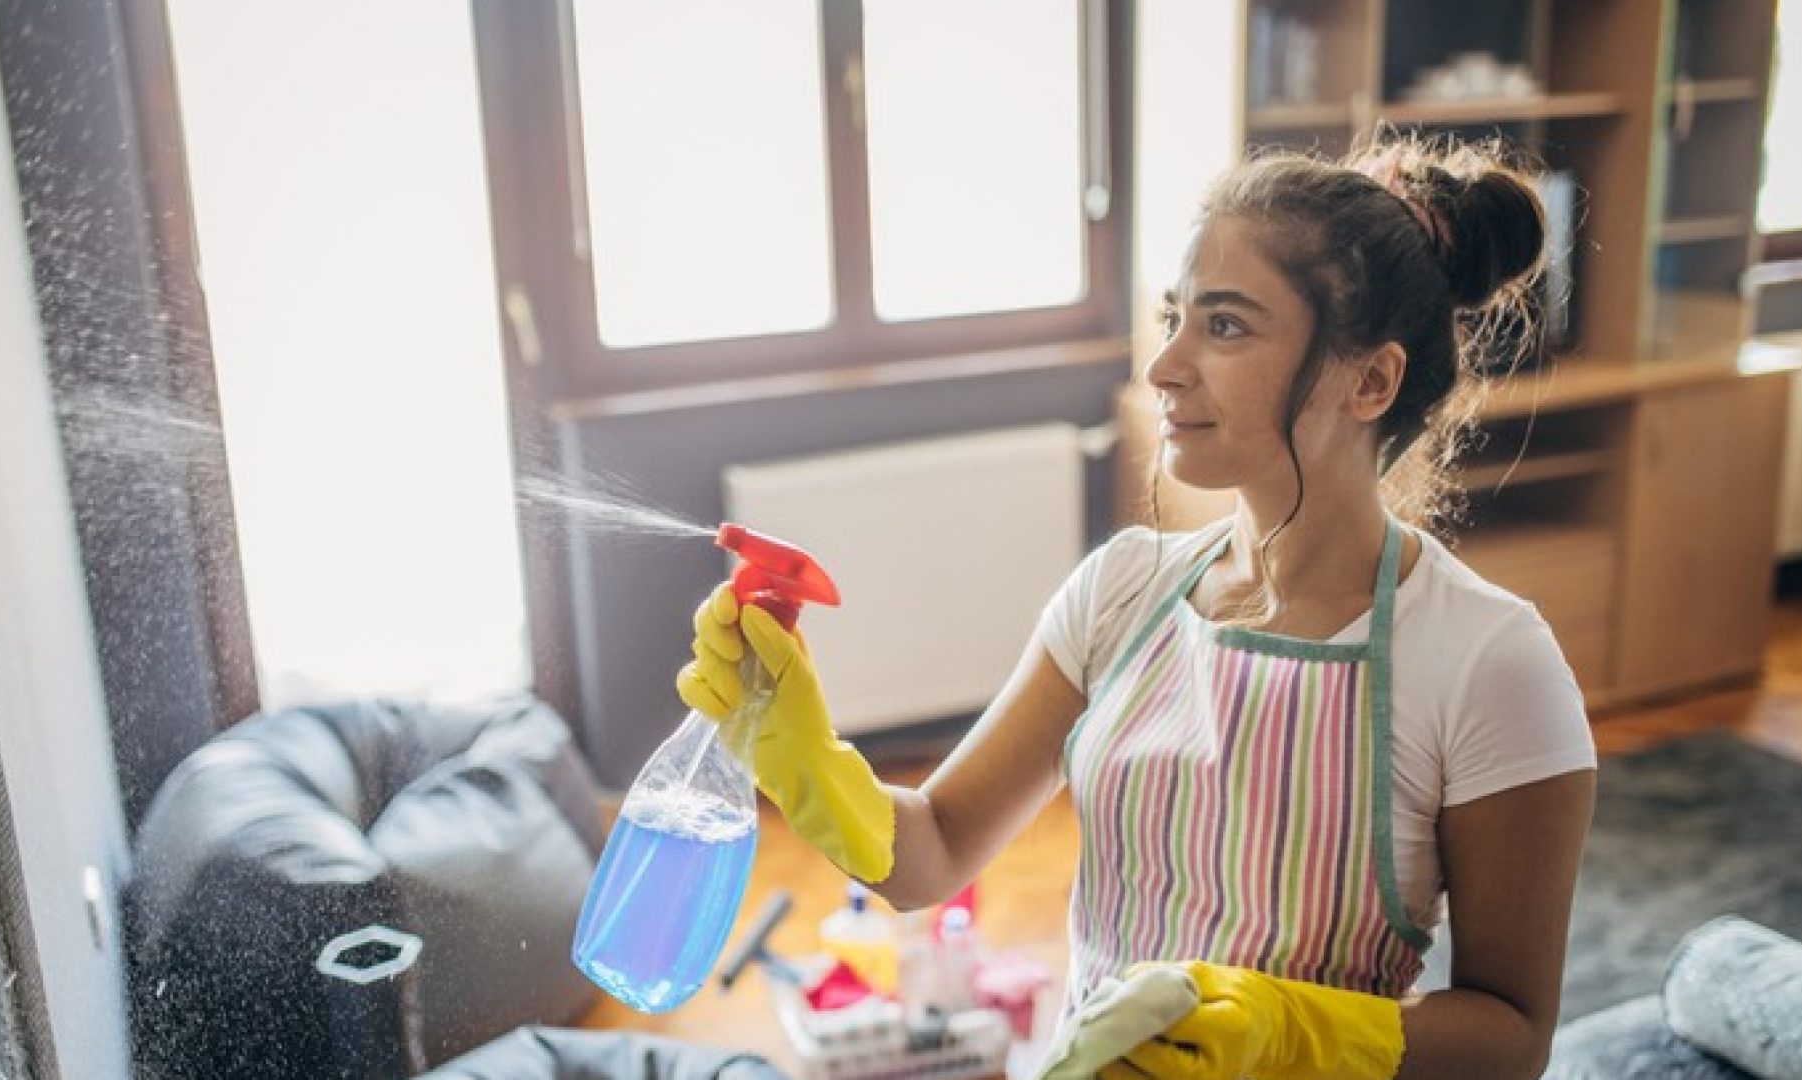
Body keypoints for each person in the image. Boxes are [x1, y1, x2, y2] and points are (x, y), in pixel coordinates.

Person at [679, 138, 1597, 1080]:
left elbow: (1512, 1036)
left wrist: (1292, 1032)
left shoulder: (1491, 662)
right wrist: (800, 753)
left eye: (1227, 328)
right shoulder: (1121, 591)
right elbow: (939, 848)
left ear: (1372, 381)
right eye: (1176, 317)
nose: (1165, 366)